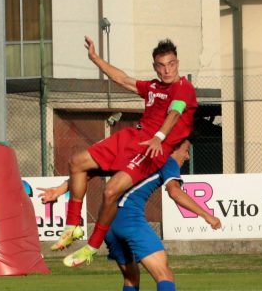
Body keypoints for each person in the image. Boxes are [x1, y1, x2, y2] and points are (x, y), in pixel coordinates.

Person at [38, 139, 221, 291]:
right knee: (164, 275)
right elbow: (174, 192)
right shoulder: (167, 161)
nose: (187, 156)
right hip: (130, 220)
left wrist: (60, 190)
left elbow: (88, 171)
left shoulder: (136, 157)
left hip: (108, 223)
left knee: (131, 278)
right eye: (186, 150)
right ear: (174, 148)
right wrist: (207, 215)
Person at [53, 36, 198, 268]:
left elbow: (175, 112)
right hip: (131, 138)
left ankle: (91, 247)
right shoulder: (152, 87)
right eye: (161, 65)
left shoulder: (184, 88)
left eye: (171, 64)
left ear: (177, 63)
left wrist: (159, 137)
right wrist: (95, 58)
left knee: (110, 192)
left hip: (152, 148)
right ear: (155, 67)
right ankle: (72, 227)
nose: (167, 70)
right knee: (77, 162)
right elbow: (121, 78)